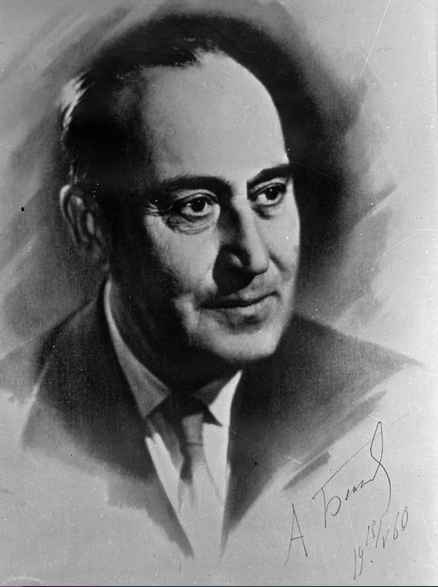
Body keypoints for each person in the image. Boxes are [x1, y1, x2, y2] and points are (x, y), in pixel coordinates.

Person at [14, 6, 414, 561]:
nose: (253, 257)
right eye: (196, 206)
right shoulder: (15, 422)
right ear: (91, 227)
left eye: (269, 193)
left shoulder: (392, 406)